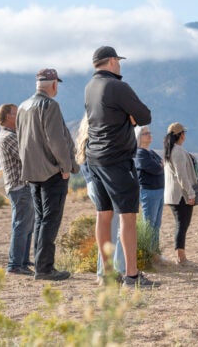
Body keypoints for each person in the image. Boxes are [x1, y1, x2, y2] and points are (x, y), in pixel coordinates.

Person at [84, 46, 159, 288]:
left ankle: (106, 274)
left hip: (94, 158)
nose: (120, 65)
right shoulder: (117, 86)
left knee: (103, 214)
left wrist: (128, 116)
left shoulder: (90, 87)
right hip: (117, 158)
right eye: (118, 61)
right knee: (128, 216)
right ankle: (132, 276)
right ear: (113, 61)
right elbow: (145, 116)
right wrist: (130, 117)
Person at [16, 68, 79, 281]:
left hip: (32, 172)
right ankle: (45, 268)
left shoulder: (23, 107)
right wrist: (65, 166)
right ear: (53, 85)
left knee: (41, 219)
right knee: (50, 220)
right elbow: (56, 140)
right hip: (52, 172)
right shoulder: (50, 105)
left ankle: (41, 266)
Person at [76, 114, 125, 284]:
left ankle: (104, 271)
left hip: (92, 184)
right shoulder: (97, 140)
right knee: (111, 229)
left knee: (108, 228)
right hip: (101, 184)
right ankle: (105, 272)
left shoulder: (85, 140)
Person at [0, 103, 34, 276]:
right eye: (16, 113)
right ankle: (15, 264)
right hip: (20, 186)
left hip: (22, 186)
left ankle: (22, 261)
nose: (19, 115)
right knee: (21, 226)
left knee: (26, 225)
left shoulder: (11, 135)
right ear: (8, 117)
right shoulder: (8, 137)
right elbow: (26, 155)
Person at [163, 122, 197, 265]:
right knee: (182, 225)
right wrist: (191, 193)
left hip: (174, 195)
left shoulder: (172, 150)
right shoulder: (177, 151)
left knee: (181, 224)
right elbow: (181, 175)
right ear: (181, 134)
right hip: (180, 195)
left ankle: (181, 256)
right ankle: (181, 258)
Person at [135, 125, 164, 250]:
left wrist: (160, 165)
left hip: (159, 191)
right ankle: (148, 252)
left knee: (156, 224)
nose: (149, 135)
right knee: (149, 224)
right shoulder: (139, 153)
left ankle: (155, 252)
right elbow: (157, 168)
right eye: (145, 133)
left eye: (149, 132)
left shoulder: (150, 152)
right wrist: (160, 165)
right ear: (139, 137)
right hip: (148, 191)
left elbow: (162, 165)